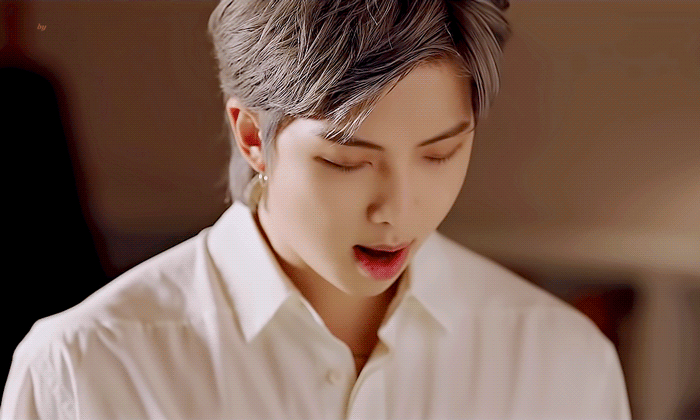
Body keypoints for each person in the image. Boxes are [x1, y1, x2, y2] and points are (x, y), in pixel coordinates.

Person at [1, 0, 631, 418]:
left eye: (440, 155)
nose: (398, 210)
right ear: (253, 136)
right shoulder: (86, 369)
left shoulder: (560, 362)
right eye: (348, 162)